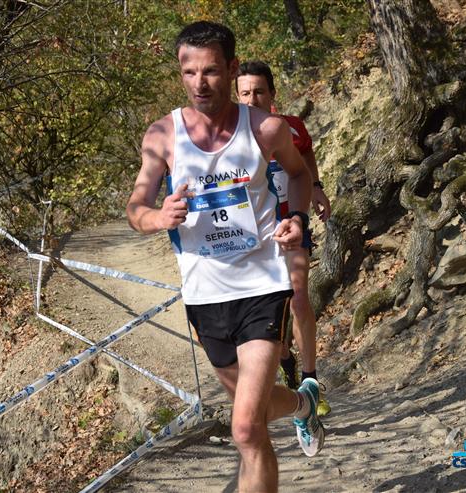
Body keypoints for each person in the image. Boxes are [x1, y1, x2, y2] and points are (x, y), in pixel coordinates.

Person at [126, 21, 325, 491]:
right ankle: (303, 405)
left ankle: (299, 408)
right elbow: (135, 208)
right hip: (205, 295)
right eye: (188, 72)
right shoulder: (163, 135)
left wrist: (297, 218)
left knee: (245, 429)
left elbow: (299, 175)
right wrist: (158, 217)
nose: (199, 83)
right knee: (254, 413)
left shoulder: (266, 128)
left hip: (262, 285)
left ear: (232, 69)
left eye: (211, 71)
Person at [235, 61, 332, 417]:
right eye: (245, 93)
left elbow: (304, 152)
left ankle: (311, 382)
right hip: (252, 237)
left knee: (299, 299)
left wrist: (315, 186)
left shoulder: (290, 126)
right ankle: (286, 362)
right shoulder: (228, 137)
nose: (253, 99)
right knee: (270, 317)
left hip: (291, 226)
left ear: (272, 93)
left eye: (259, 91)